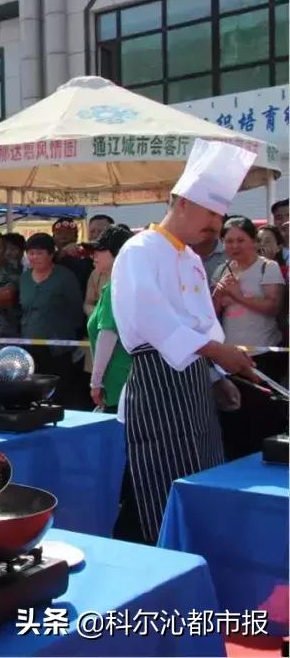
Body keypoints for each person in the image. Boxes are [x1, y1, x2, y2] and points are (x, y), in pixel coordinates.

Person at [112, 139, 258, 544]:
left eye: (220, 214)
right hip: (158, 387)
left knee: (201, 477)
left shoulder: (192, 260)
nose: (216, 223)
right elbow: (150, 319)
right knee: (163, 485)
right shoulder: (139, 250)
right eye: (210, 212)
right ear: (181, 203)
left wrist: (215, 377)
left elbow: (203, 325)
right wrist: (217, 354)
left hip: (195, 388)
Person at [210, 216, 286, 458]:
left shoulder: (267, 267)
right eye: (229, 241)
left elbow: (273, 307)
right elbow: (211, 314)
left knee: (262, 419)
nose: (234, 246)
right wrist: (218, 295)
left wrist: (237, 295)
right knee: (233, 421)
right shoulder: (222, 270)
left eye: (240, 240)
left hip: (262, 356)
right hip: (229, 358)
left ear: (253, 240)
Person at [19, 232, 85, 407]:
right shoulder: (24, 278)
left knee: (58, 394)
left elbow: (76, 309)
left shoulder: (65, 277)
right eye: (31, 253)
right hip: (30, 344)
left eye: (39, 253)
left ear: (51, 254)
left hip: (59, 347)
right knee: (32, 395)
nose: (34, 257)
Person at [87, 224, 134, 412]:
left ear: (118, 252)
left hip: (118, 383)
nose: (94, 255)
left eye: (100, 250)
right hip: (129, 381)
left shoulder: (115, 288)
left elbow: (107, 335)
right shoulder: (128, 284)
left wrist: (96, 382)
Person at [52, 217, 93, 292]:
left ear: (76, 237)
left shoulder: (86, 256)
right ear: (53, 237)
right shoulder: (49, 257)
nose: (63, 237)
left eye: (68, 233)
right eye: (59, 233)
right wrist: (61, 253)